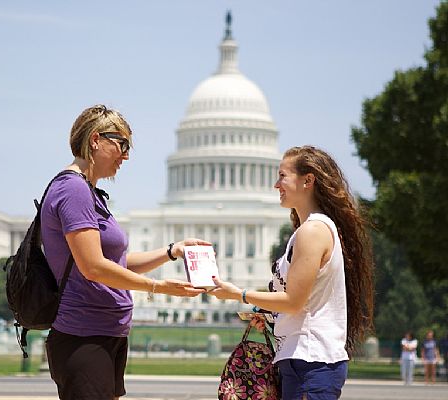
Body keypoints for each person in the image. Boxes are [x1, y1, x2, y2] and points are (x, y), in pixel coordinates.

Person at [41, 104, 208, 400]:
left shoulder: (89, 192)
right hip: (84, 333)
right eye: (122, 144)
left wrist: (171, 252)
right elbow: (93, 267)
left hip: (104, 332)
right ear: (96, 140)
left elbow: (114, 263)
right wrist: (157, 287)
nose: (126, 156)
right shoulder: (74, 190)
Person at [209, 145, 374, 400]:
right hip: (303, 361)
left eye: (283, 176)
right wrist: (268, 313)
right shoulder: (309, 230)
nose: (276, 185)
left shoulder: (312, 231)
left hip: (310, 362)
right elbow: (303, 302)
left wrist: (239, 294)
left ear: (308, 180)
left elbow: (294, 302)